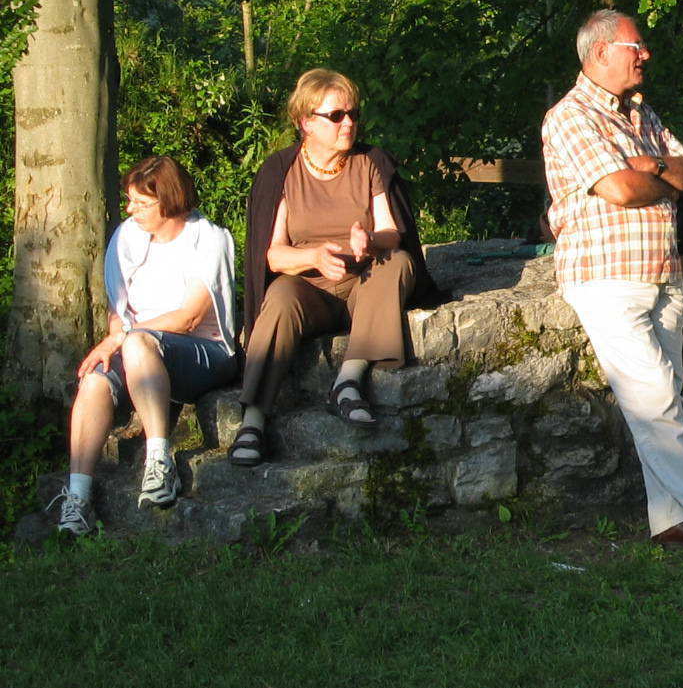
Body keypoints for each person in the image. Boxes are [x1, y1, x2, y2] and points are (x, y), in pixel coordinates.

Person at [542, 8, 683, 553]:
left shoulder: (642, 112)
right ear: (602, 52)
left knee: (668, 399)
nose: (645, 54)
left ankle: (671, 522)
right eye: (636, 46)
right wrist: (649, 173)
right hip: (606, 276)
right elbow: (621, 190)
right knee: (656, 399)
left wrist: (653, 169)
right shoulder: (570, 116)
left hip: (662, 273)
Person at [232, 69, 442, 467]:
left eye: (353, 113)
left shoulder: (369, 162)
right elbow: (273, 255)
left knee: (395, 262)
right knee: (280, 296)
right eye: (336, 115)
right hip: (310, 290)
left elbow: (392, 232)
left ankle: (348, 381)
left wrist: (370, 239)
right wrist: (313, 258)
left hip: (365, 282)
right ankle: (254, 419)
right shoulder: (281, 172)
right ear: (306, 122)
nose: (348, 122)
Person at [50, 157, 238, 536]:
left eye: (141, 203)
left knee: (137, 343)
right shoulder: (127, 237)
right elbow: (117, 309)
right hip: (139, 346)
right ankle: (79, 497)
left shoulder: (209, 239)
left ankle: (159, 463)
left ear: (168, 201)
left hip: (203, 352)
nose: (130, 209)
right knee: (94, 379)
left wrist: (122, 337)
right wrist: (117, 334)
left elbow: (189, 317)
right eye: (130, 201)